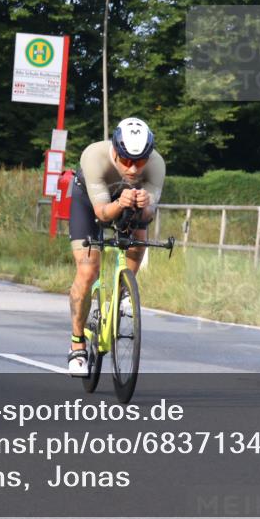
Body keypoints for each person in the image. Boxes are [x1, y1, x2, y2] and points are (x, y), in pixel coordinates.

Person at [66, 117, 165, 375]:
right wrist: (120, 203)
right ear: (115, 151)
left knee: (138, 239)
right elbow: (101, 214)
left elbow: (149, 215)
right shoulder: (94, 157)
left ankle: (123, 293)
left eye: (140, 161)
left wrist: (144, 205)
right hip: (90, 203)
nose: (133, 169)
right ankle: (77, 345)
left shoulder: (157, 165)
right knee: (88, 272)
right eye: (127, 161)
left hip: (128, 203)